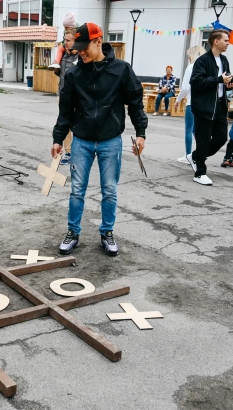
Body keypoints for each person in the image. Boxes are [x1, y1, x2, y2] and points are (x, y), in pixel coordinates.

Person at [52, 22, 148, 256]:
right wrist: (58, 138)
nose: (80, 52)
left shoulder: (121, 70)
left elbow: (135, 102)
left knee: (109, 190)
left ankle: (107, 233)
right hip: (82, 140)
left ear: (98, 42)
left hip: (110, 140)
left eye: (84, 47)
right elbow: (65, 110)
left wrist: (141, 132)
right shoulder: (74, 74)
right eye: (78, 48)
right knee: (77, 190)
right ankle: (73, 232)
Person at [187, 29, 233, 186]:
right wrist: (218, 79)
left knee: (222, 138)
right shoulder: (202, 61)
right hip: (204, 107)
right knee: (203, 140)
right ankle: (199, 173)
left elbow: (224, 81)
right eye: (226, 40)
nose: (228, 43)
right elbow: (196, 82)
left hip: (220, 105)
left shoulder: (225, 60)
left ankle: (195, 156)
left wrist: (229, 84)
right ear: (216, 41)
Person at [175, 45, 206, 164]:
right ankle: (199, 153)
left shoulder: (191, 67)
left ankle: (188, 155)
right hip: (203, 104)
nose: (188, 57)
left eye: (189, 55)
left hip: (192, 103)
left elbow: (185, 88)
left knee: (188, 130)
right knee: (196, 130)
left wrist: (178, 100)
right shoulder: (206, 67)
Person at [53, 28, 78, 166]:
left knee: (78, 124)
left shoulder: (80, 57)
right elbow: (62, 75)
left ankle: (80, 152)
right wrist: (57, 70)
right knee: (65, 124)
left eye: (68, 40)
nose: (65, 43)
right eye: (64, 40)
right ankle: (68, 153)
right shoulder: (63, 56)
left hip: (77, 97)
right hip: (62, 94)